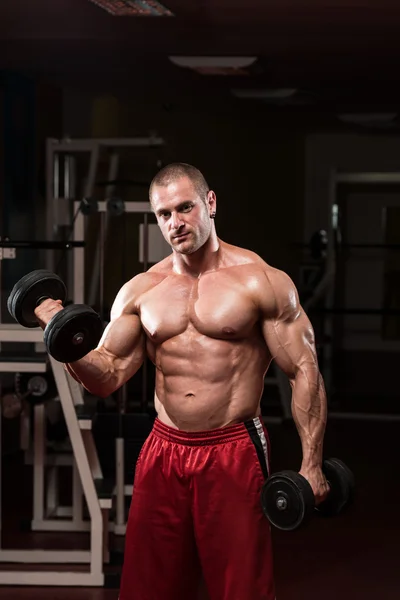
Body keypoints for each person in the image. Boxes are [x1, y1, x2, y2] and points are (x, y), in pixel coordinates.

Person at [34, 163, 329, 600]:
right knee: (147, 586)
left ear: (210, 203)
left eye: (185, 207)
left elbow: (303, 370)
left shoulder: (260, 280)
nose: (175, 223)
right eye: (164, 214)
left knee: (240, 587)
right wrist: (62, 336)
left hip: (232, 448)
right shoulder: (141, 290)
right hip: (163, 449)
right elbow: (107, 375)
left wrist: (312, 464)